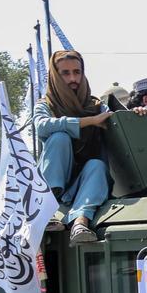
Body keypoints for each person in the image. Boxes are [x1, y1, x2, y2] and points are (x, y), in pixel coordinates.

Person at [34, 50, 114, 245]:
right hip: (52, 186)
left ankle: (80, 222)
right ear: (55, 76)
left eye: (77, 72)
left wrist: (139, 111)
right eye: (66, 73)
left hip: (85, 184)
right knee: (59, 137)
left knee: (97, 165)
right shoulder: (45, 105)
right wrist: (88, 121)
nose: (73, 78)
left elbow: (115, 118)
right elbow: (42, 125)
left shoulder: (95, 105)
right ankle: (49, 210)